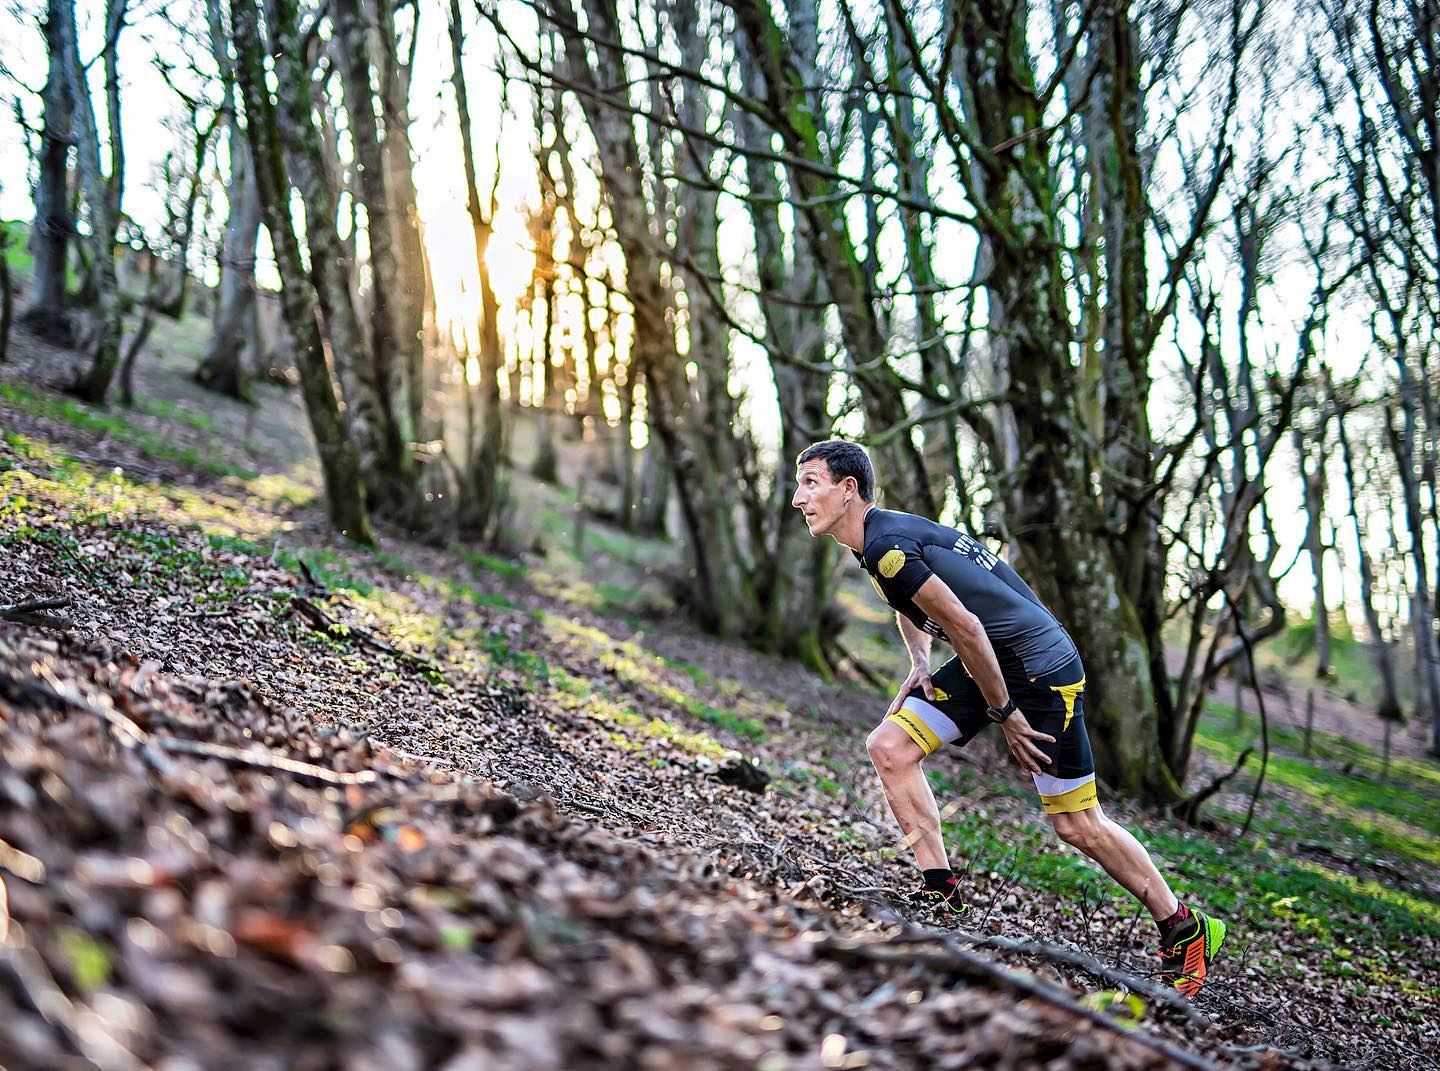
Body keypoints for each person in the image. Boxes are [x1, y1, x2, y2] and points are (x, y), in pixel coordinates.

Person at [791, 439, 1227, 997]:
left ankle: (1183, 927)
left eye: (810, 483)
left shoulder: (888, 544)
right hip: (991, 660)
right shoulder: (874, 541)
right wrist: (920, 660)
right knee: (890, 747)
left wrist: (1005, 713)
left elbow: (968, 627)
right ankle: (939, 891)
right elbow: (916, 603)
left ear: (847, 490)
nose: (799, 498)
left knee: (1075, 822)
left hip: (1038, 670)